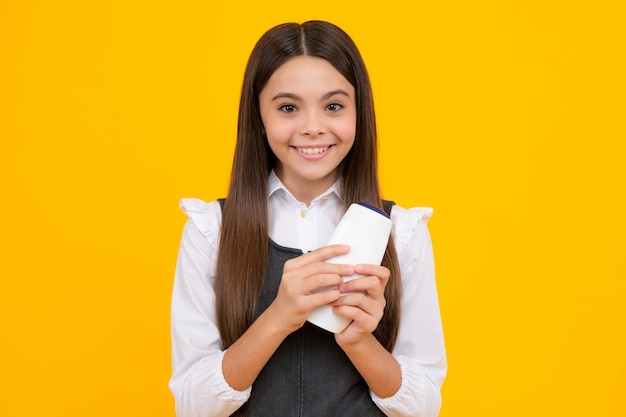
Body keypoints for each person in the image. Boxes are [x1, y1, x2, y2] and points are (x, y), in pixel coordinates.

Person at [169, 20, 446, 417]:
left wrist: (358, 340)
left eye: (333, 106)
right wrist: (279, 316)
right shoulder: (211, 231)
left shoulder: (401, 233)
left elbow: (423, 408)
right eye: (287, 108)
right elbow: (193, 406)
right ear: (259, 118)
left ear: (359, 112)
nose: (313, 128)